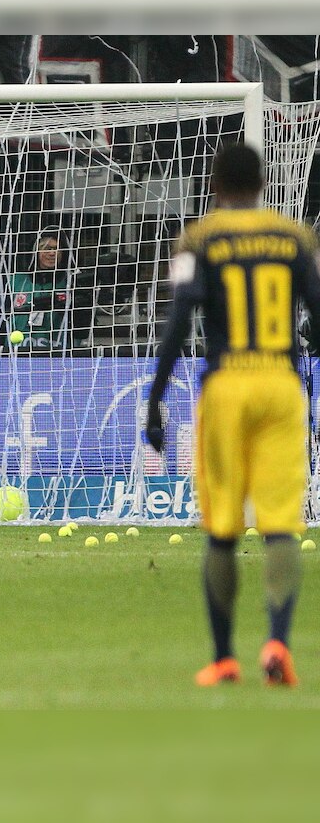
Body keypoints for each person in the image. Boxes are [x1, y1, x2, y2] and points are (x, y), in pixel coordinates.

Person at [144, 142, 320, 687]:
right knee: (282, 526)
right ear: (265, 182)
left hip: (226, 387)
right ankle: (277, 644)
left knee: (223, 527)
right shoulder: (295, 238)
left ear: (216, 184)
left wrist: (155, 397)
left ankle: (223, 657)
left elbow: (178, 321)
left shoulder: (198, 239)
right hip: (280, 385)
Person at [7, 229, 80, 352]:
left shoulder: (71, 282)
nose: (52, 253)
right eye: (46, 248)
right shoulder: (15, 281)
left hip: (57, 354)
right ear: (35, 251)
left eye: (56, 248)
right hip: (17, 354)